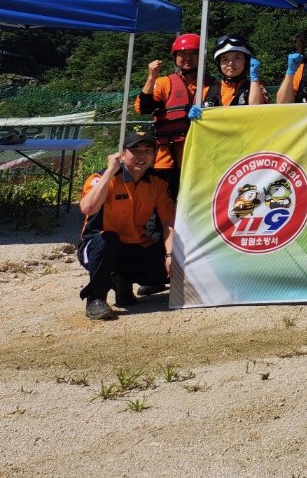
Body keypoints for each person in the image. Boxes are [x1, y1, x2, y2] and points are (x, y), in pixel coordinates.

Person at [77, 128, 175, 320]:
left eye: (147, 150)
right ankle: (95, 299)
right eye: (135, 150)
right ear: (122, 154)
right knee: (108, 240)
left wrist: (170, 255)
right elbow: (88, 208)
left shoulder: (157, 182)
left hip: (134, 245)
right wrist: (110, 171)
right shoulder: (102, 178)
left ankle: (122, 281)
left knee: (172, 262)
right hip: (98, 247)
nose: (142, 156)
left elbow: (168, 222)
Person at [134, 32, 201, 199]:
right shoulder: (165, 83)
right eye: (183, 54)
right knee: (163, 203)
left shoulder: (211, 85)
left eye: (194, 53)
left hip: (199, 158)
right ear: (175, 58)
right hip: (166, 157)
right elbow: (143, 107)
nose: (188, 58)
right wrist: (152, 77)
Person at [197, 36, 269, 109]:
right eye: (225, 59)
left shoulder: (256, 87)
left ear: (246, 62)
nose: (231, 63)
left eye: (237, 58)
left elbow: (258, 110)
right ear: (219, 64)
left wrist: (255, 79)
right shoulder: (206, 91)